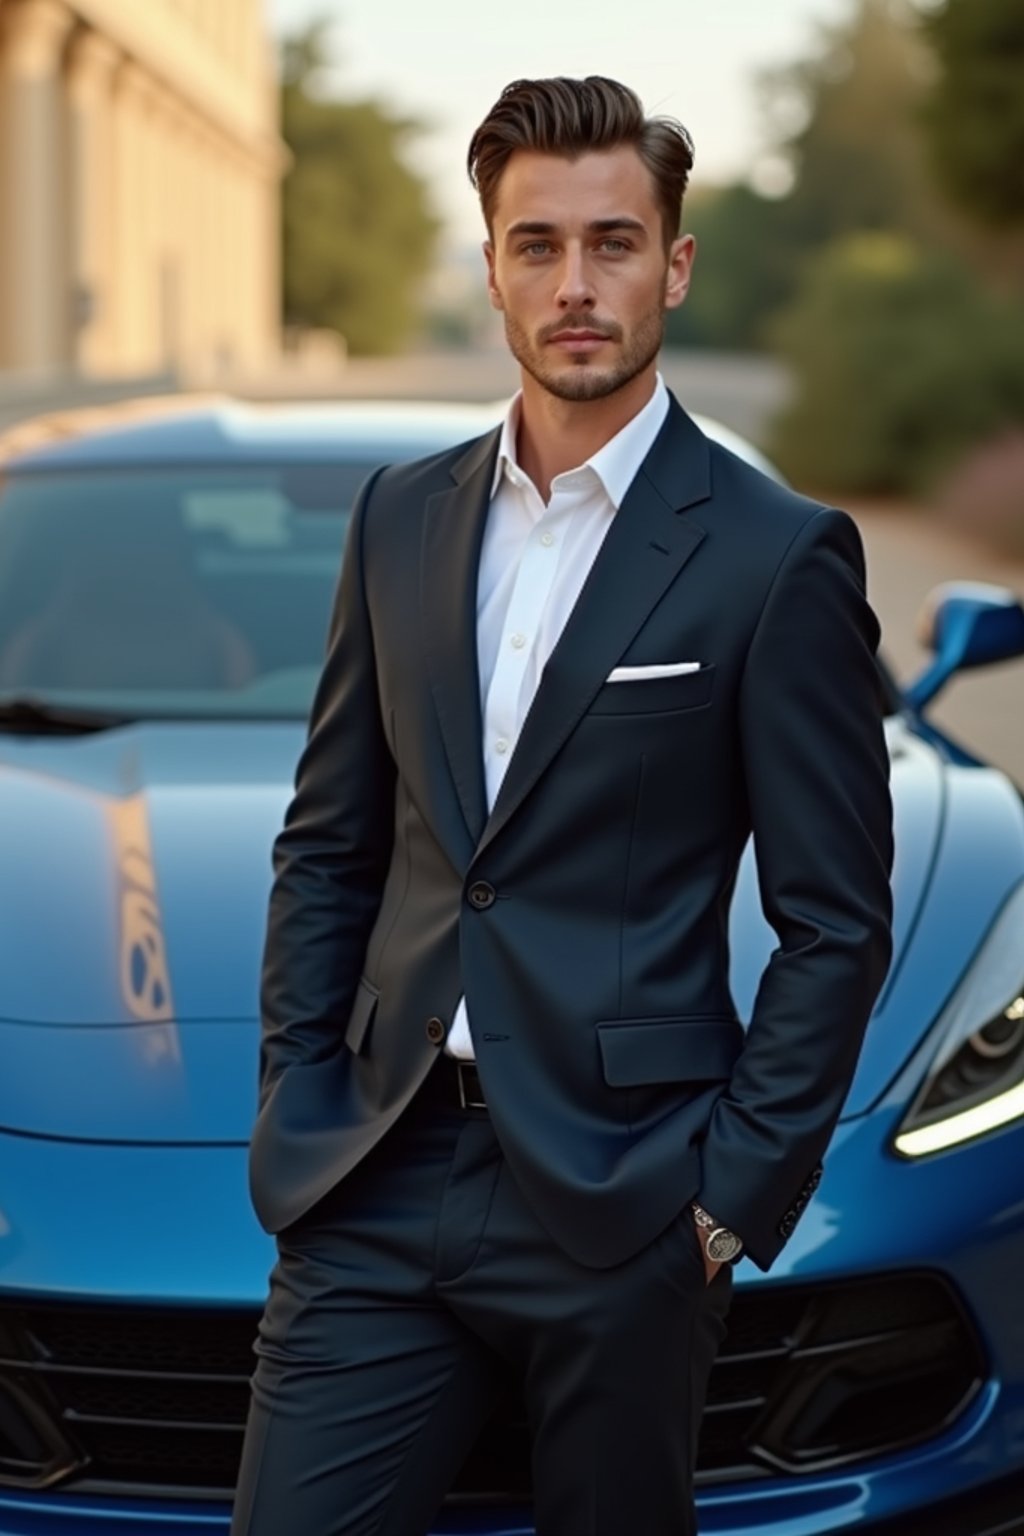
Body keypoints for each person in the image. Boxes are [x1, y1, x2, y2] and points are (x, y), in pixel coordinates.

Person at [232, 75, 894, 1536]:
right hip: (377, 1177)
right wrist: (299, 1083)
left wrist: (727, 1202)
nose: (575, 284)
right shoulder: (399, 515)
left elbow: (835, 919)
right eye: (537, 246)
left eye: (612, 242)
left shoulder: (775, 555)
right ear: (490, 270)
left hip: (628, 1200)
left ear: (674, 263)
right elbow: (332, 841)